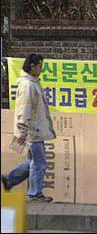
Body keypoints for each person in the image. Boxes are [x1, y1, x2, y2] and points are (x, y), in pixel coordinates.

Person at [1, 54, 56, 202]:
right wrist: (23, 130)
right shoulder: (28, 86)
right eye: (40, 66)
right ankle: (34, 194)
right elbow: (24, 110)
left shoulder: (32, 83)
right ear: (32, 66)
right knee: (39, 163)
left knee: (34, 161)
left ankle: (10, 179)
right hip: (33, 131)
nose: (41, 69)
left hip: (34, 129)